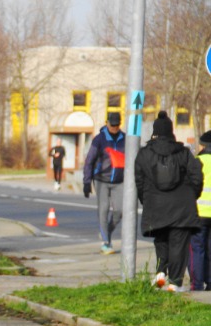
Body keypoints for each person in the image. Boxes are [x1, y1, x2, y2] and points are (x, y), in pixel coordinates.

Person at [135, 111, 204, 292]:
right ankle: (174, 282)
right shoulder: (184, 153)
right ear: (171, 131)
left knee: (161, 239)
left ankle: (160, 272)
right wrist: (192, 195)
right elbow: (196, 176)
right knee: (178, 244)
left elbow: (139, 182)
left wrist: (146, 200)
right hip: (182, 205)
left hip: (155, 205)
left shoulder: (144, 154)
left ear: (155, 131)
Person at [83, 112, 126, 254]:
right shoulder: (99, 139)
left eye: (117, 125)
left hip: (119, 181)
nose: (114, 127)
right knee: (104, 209)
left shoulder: (125, 139)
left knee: (119, 210)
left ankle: (106, 231)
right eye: (112, 125)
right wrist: (87, 182)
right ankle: (106, 243)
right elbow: (89, 161)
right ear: (107, 123)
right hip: (101, 179)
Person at [187, 131, 211, 290]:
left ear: (203, 146)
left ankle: (197, 284)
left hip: (199, 212)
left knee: (197, 249)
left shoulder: (198, 161)